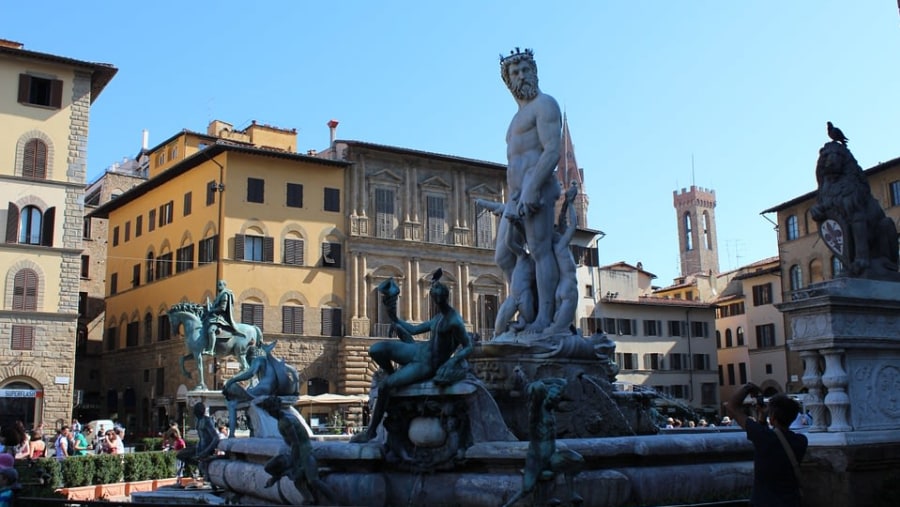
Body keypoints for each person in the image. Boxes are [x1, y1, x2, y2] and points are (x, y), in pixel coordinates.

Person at [351, 272, 473, 443]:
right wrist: (393, 316)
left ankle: (371, 431)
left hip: (427, 364)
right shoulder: (438, 317)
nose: (434, 299)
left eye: (435, 296)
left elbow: (468, 346)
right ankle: (390, 372)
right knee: (376, 349)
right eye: (432, 296)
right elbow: (414, 330)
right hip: (418, 350)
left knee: (385, 386)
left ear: (443, 297)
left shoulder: (454, 320)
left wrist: (452, 361)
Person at [496, 47, 563, 333]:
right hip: (515, 196)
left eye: (526, 69)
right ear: (508, 80)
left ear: (534, 72)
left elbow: (552, 150)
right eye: (515, 72)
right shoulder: (513, 121)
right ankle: (527, 305)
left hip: (537, 189)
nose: (522, 75)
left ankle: (544, 318)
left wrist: (533, 187)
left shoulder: (546, 104)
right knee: (503, 255)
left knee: (540, 250)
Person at [726, 383, 808, 507]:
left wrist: (748, 387)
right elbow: (774, 440)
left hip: (763, 502)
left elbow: (732, 407)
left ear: (773, 417)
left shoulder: (763, 437)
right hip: (791, 502)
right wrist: (763, 419)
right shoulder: (801, 441)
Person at [222, 341, 299, 437]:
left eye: (249, 362)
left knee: (231, 403)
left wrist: (232, 380)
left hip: (261, 392)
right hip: (269, 391)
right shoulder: (271, 363)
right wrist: (296, 390)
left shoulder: (258, 359)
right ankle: (251, 430)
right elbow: (294, 371)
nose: (251, 364)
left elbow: (250, 373)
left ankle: (232, 435)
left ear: (251, 357)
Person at [204, 279, 244, 355]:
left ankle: (211, 350)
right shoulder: (219, 295)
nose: (218, 286)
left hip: (220, 318)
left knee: (211, 330)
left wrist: (212, 310)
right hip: (215, 317)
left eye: (220, 285)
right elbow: (216, 306)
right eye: (218, 285)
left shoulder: (225, 294)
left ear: (224, 286)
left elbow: (222, 308)